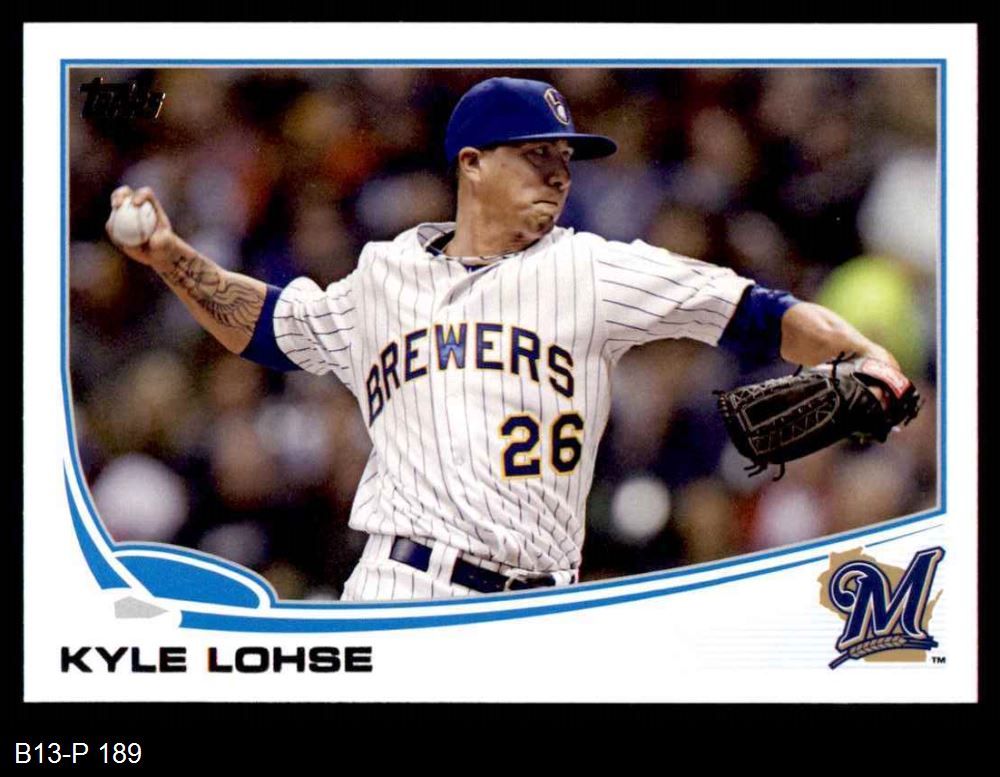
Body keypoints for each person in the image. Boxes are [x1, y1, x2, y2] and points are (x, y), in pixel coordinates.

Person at [106, 76, 906, 601]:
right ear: (472, 163)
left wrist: (865, 356)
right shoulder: (384, 274)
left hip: (541, 604)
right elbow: (272, 327)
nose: (558, 173)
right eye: (535, 155)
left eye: (565, 158)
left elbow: (756, 309)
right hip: (401, 588)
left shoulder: (593, 269)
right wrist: (170, 256)